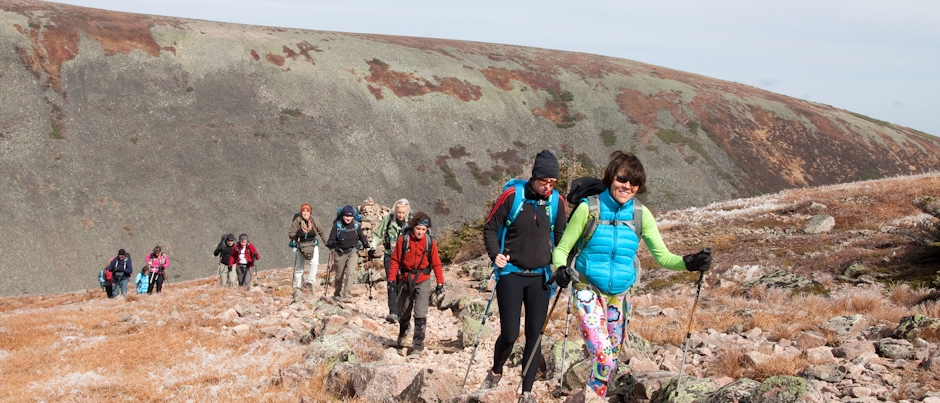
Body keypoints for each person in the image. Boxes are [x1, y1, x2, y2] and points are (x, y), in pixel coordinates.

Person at [550, 151, 712, 403]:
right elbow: (561, 248)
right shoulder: (588, 209)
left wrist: (690, 263)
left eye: (633, 182)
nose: (627, 186)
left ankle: (591, 397)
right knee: (603, 358)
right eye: (622, 179)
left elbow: (664, 257)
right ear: (610, 177)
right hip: (587, 290)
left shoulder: (640, 215)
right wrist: (561, 269)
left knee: (611, 362)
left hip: (622, 297)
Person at [480, 150, 567, 403]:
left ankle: (526, 392)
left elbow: (561, 238)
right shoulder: (512, 196)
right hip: (511, 274)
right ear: (534, 177)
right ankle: (496, 370)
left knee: (534, 335)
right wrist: (494, 254)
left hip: (540, 277)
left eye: (553, 183)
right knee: (510, 334)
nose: (548, 187)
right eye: (544, 182)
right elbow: (490, 227)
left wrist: (561, 266)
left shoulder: (557, 202)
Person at [388, 211, 444, 355]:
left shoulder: (430, 242)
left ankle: (418, 345)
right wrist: (391, 279)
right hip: (405, 279)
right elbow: (395, 260)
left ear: (427, 230)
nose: (420, 232)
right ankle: (404, 330)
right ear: (413, 227)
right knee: (404, 311)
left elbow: (436, 264)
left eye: (423, 230)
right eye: (418, 229)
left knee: (420, 313)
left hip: (423, 280)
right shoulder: (403, 240)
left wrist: (440, 283)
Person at [372, 198, 412, 323]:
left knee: (404, 284)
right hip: (390, 255)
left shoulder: (411, 222)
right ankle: (393, 312)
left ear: (407, 212)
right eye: (398, 212)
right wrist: (373, 246)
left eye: (403, 213)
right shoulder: (388, 219)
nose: (400, 215)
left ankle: (404, 312)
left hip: (406, 257)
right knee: (392, 282)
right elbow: (378, 234)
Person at [326, 205, 373, 302]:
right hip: (340, 252)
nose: (348, 218)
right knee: (339, 275)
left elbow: (362, 236)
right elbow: (330, 241)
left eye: (350, 216)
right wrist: (332, 244)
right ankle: (337, 293)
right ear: (343, 215)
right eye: (346, 216)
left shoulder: (356, 225)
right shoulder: (337, 226)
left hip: (353, 252)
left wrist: (366, 244)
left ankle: (347, 296)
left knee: (350, 273)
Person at [290, 204, 329, 290]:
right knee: (299, 266)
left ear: (310, 212)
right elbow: (291, 234)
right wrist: (297, 235)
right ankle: (297, 286)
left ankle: (310, 282)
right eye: (303, 211)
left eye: (307, 211)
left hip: (312, 245)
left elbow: (321, 232)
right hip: (300, 246)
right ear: (301, 212)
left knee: (315, 263)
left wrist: (328, 243)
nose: (305, 213)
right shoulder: (297, 221)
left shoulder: (314, 221)